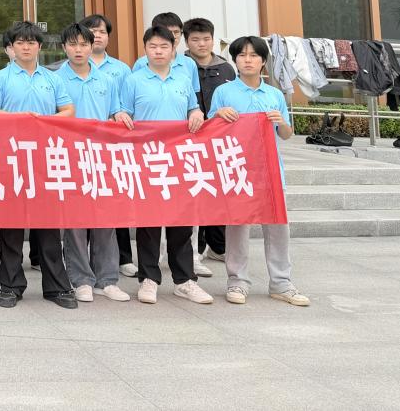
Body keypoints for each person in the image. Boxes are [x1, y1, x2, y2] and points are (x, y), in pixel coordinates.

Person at [0, 21, 77, 310]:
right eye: (20, 42)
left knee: (48, 227)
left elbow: (68, 110)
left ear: (40, 46)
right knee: (11, 227)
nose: (26, 47)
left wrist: (43, 120)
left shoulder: (52, 78)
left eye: (31, 42)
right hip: (11, 159)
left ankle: (57, 287)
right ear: (11, 47)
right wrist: (19, 119)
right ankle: (11, 286)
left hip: (45, 159)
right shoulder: (1, 77)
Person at [210, 36, 309, 307]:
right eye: (242, 55)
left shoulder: (274, 95)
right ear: (234, 60)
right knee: (237, 227)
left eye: (253, 55)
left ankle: (281, 282)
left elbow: (286, 134)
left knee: (277, 227)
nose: (247, 60)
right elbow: (209, 129)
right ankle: (237, 281)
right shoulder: (223, 92)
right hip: (237, 170)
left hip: (270, 171)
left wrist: (281, 122)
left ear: (263, 61)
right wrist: (218, 115)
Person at [120, 25, 214, 306]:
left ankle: (184, 281)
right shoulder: (133, 80)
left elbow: (193, 108)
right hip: (147, 159)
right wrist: (121, 115)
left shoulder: (183, 79)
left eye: (164, 46)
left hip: (179, 159)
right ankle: (148, 279)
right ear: (145, 49)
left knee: (181, 223)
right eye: (153, 46)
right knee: (148, 223)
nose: (158, 51)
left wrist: (196, 112)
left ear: (174, 50)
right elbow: (123, 111)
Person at [55, 22, 132, 303]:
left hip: (101, 158)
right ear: (64, 47)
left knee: (105, 221)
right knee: (75, 223)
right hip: (69, 157)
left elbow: (115, 112)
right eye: (73, 44)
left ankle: (107, 279)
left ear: (92, 46)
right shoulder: (55, 79)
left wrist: (120, 115)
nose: (79, 50)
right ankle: (81, 279)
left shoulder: (107, 80)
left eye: (84, 44)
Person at [81, 12, 137, 276]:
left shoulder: (121, 70)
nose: (97, 36)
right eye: (92, 32)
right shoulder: (68, 69)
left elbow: (123, 105)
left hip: (112, 145)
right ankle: (81, 262)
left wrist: (119, 116)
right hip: (79, 148)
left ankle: (122, 258)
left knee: (113, 202)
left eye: (102, 32)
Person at [184, 16, 235, 277]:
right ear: (186, 41)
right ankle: (198, 248)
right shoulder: (180, 66)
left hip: (219, 141)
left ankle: (218, 245)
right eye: (195, 39)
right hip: (189, 140)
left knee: (218, 193)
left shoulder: (226, 69)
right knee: (196, 193)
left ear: (213, 40)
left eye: (206, 39)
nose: (201, 44)